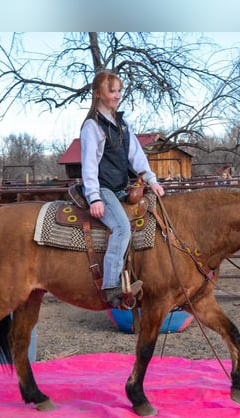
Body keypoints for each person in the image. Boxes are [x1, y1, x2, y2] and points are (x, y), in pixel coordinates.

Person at [79, 70, 166, 308]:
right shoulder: (92, 127)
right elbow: (88, 165)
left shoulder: (122, 124)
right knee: (121, 228)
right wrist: (94, 198)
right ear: (98, 94)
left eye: (119, 91)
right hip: (103, 189)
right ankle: (110, 287)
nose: (117, 96)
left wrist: (151, 180)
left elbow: (136, 156)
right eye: (112, 91)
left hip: (120, 189)